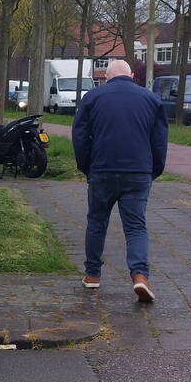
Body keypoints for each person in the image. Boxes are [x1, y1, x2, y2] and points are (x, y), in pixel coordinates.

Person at [72, 59, 168, 302]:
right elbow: (159, 141)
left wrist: (87, 168)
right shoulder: (151, 99)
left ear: (106, 76)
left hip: (102, 171)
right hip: (138, 172)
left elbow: (80, 137)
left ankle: (93, 275)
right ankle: (140, 277)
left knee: (96, 222)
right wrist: (153, 170)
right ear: (132, 75)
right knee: (136, 227)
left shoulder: (92, 98)